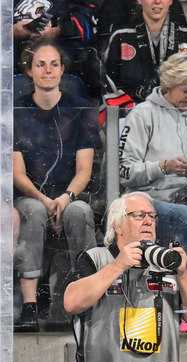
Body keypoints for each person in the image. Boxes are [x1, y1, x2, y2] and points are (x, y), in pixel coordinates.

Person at [13, 38, 101, 333]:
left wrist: (64, 198)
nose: (47, 70)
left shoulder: (80, 108)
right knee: (31, 211)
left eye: (53, 64)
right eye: (40, 65)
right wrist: (44, 199)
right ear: (30, 71)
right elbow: (17, 173)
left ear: (63, 70)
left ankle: (88, 300)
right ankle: (28, 306)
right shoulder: (16, 110)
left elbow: (85, 169)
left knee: (79, 211)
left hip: (70, 194)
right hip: (30, 195)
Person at [63, 191, 187, 362]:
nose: (148, 221)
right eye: (139, 216)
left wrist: (182, 274)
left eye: (152, 216)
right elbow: (72, 303)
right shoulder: (95, 258)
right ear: (117, 225)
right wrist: (118, 265)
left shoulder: (167, 264)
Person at [118, 51, 187, 282]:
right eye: (186, 91)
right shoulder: (143, 115)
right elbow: (125, 173)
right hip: (151, 202)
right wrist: (163, 167)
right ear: (169, 85)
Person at [104, 0, 187, 107]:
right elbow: (107, 80)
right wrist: (131, 109)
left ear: (171, 1)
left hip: (179, 112)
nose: (157, 1)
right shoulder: (120, 37)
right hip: (132, 114)